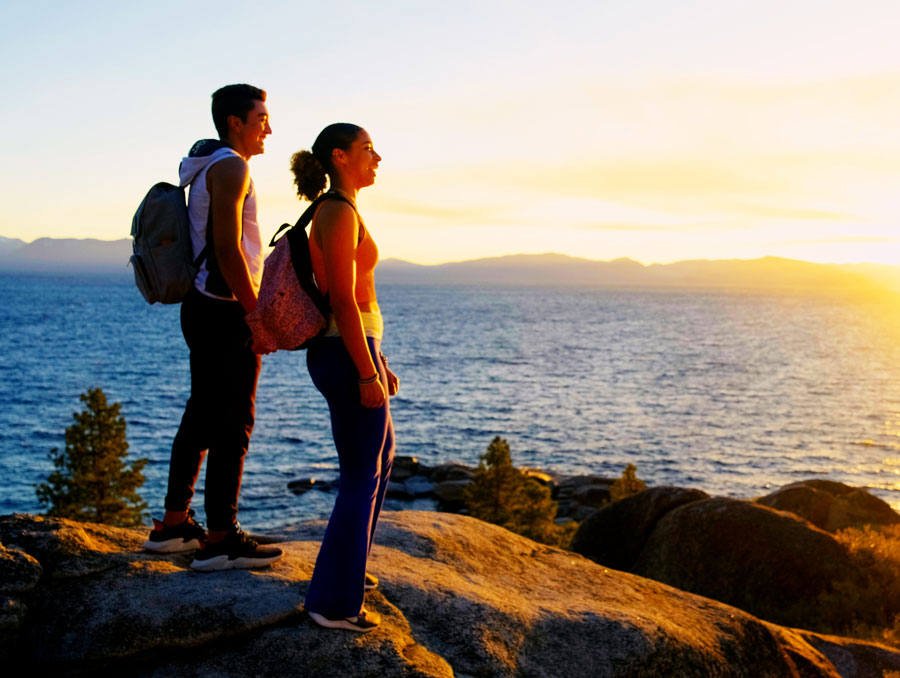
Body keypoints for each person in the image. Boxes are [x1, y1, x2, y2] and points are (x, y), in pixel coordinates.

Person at [143, 84, 283, 571]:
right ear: (235, 123)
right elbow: (227, 249)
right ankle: (221, 536)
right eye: (261, 118)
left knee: (201, 415)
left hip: (202, 308)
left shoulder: (207, 165)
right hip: (224, 309)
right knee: (233, 423)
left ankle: (174, 526)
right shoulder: (231, 166)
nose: (269, 127)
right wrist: (257, 314)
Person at [290, 123, 398, 632]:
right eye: (367, 149)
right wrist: (363, 369)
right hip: (343, 352)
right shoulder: (335, 211)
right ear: (340, 156)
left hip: (357, 347)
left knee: (383, 459)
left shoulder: (346, 208)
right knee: (360, 475)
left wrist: (378, 361)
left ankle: (349, 571)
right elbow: (341, 301)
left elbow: (358, 300)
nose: (377, 157)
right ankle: (332, 605)